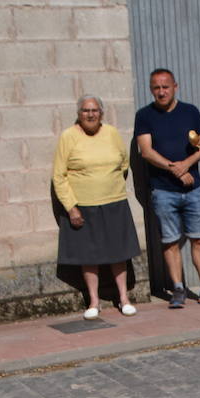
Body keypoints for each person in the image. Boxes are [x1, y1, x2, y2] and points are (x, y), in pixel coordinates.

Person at [134, 68, 200, 309]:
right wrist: (174, 169)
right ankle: (177, 289)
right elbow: (145, 151)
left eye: (165, 86)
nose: (161, 92)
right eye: (156, 87)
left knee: (198, 239)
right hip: (163, 190)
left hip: (193, 190)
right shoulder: (144, 115)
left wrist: (186, 165)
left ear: (175, 86)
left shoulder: (190, 111)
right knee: (170, 241)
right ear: (151, 89)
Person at [52, 95, 141, 320]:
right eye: (85, 111)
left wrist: (111, 185)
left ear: (101, 113)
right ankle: (93, 301)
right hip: (83, 206)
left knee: (118, 253)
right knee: (88, 255)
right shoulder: (68, 136)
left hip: (114, 202)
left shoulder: (111, 133)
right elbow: (58, 176)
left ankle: (124, 298)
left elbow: (124, 163)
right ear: (79, 114)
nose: (90, 114)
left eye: (94, 110)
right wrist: (71, 207)